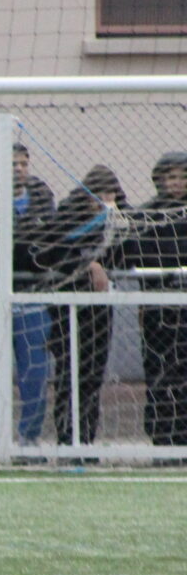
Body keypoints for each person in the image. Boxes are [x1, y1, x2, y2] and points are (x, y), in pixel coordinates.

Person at [0, 143, 57, 448]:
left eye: (23, 163)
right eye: (12, 164)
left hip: (33, 302)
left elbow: (52, 246)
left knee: (34, 376)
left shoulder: (45, 202)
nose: (18, 169)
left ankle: (29, 440)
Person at [39, 166, 123, 448]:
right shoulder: (65, 218)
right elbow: (48, 253)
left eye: (109, 194)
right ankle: (68, 439)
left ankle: (86, 439)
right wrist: (87, 263)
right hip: (68, 307)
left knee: (93, 375)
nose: (103, 200)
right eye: (98, 194)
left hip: (100, 307)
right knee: (69, 372)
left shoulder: (118, 220)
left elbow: (127, 252)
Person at [124, 152, 187, 445]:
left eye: (183, 177)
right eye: (173, 177)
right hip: (158, 307)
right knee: (160, 371)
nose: (178, 183)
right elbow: (134, 254)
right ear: (161, 180)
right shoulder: (147, 215)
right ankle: (163, 436)